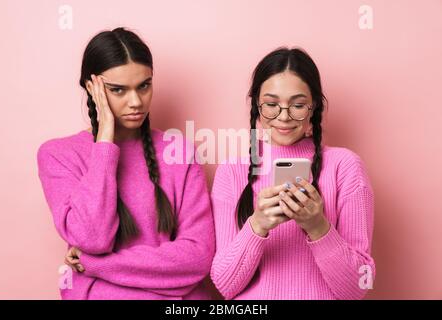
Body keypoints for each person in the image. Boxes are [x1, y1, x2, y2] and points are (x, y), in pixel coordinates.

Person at [37, 27, 215, 299]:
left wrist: (97, 265)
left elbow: (198, 257)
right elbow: (92, 238)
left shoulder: (179, 151)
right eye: (118, 90)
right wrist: (105, 144)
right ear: (91, 88)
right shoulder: (58, 155)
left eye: (144, 85)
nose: (136, 102)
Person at [210, 47, 375, 300]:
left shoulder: (345, 167)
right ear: (257, 105)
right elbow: (224, 285)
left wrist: (317, 226)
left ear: (314, 107)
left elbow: (357, 288)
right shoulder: (232, 172)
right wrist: (258, 225)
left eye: (297, 105)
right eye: (272, 105)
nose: (284, 117)